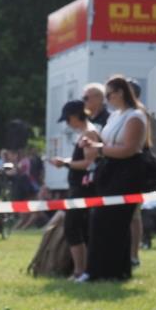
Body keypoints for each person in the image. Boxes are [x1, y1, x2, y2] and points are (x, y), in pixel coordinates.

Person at [80, 76, 149, 282]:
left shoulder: (135, 116)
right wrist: (92, 142)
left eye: (109, 94)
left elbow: (129, 149)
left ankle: (116, 271)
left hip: (126, 174)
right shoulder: (114, 116)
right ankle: (96, 270)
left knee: (116, 223)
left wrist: (99, 149)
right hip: (109, 171)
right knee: (99, 221)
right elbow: (107, 141)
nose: (107, 99)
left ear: (120, 93)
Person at [49, 100, 99, 281]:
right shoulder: (85, 133)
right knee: (77, 228)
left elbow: (89, 163)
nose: (67, 123)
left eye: (68, 119)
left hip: (84, 189)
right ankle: (80, 269)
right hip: (79, 187)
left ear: (75, 116)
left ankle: (80, 270)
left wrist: (65, 163)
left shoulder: (90, 133)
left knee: (73, 227)